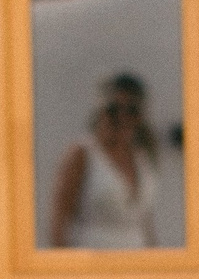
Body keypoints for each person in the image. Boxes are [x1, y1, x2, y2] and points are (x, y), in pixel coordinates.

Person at [47, 72, 161, 249]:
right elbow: (58, 221)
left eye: (132, 111)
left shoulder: (141, 156)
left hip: (135, 259)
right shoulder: (82, 154)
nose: (122, 117)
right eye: (114, 109)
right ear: (100, 110)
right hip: (93, 258)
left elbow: (145, 223)